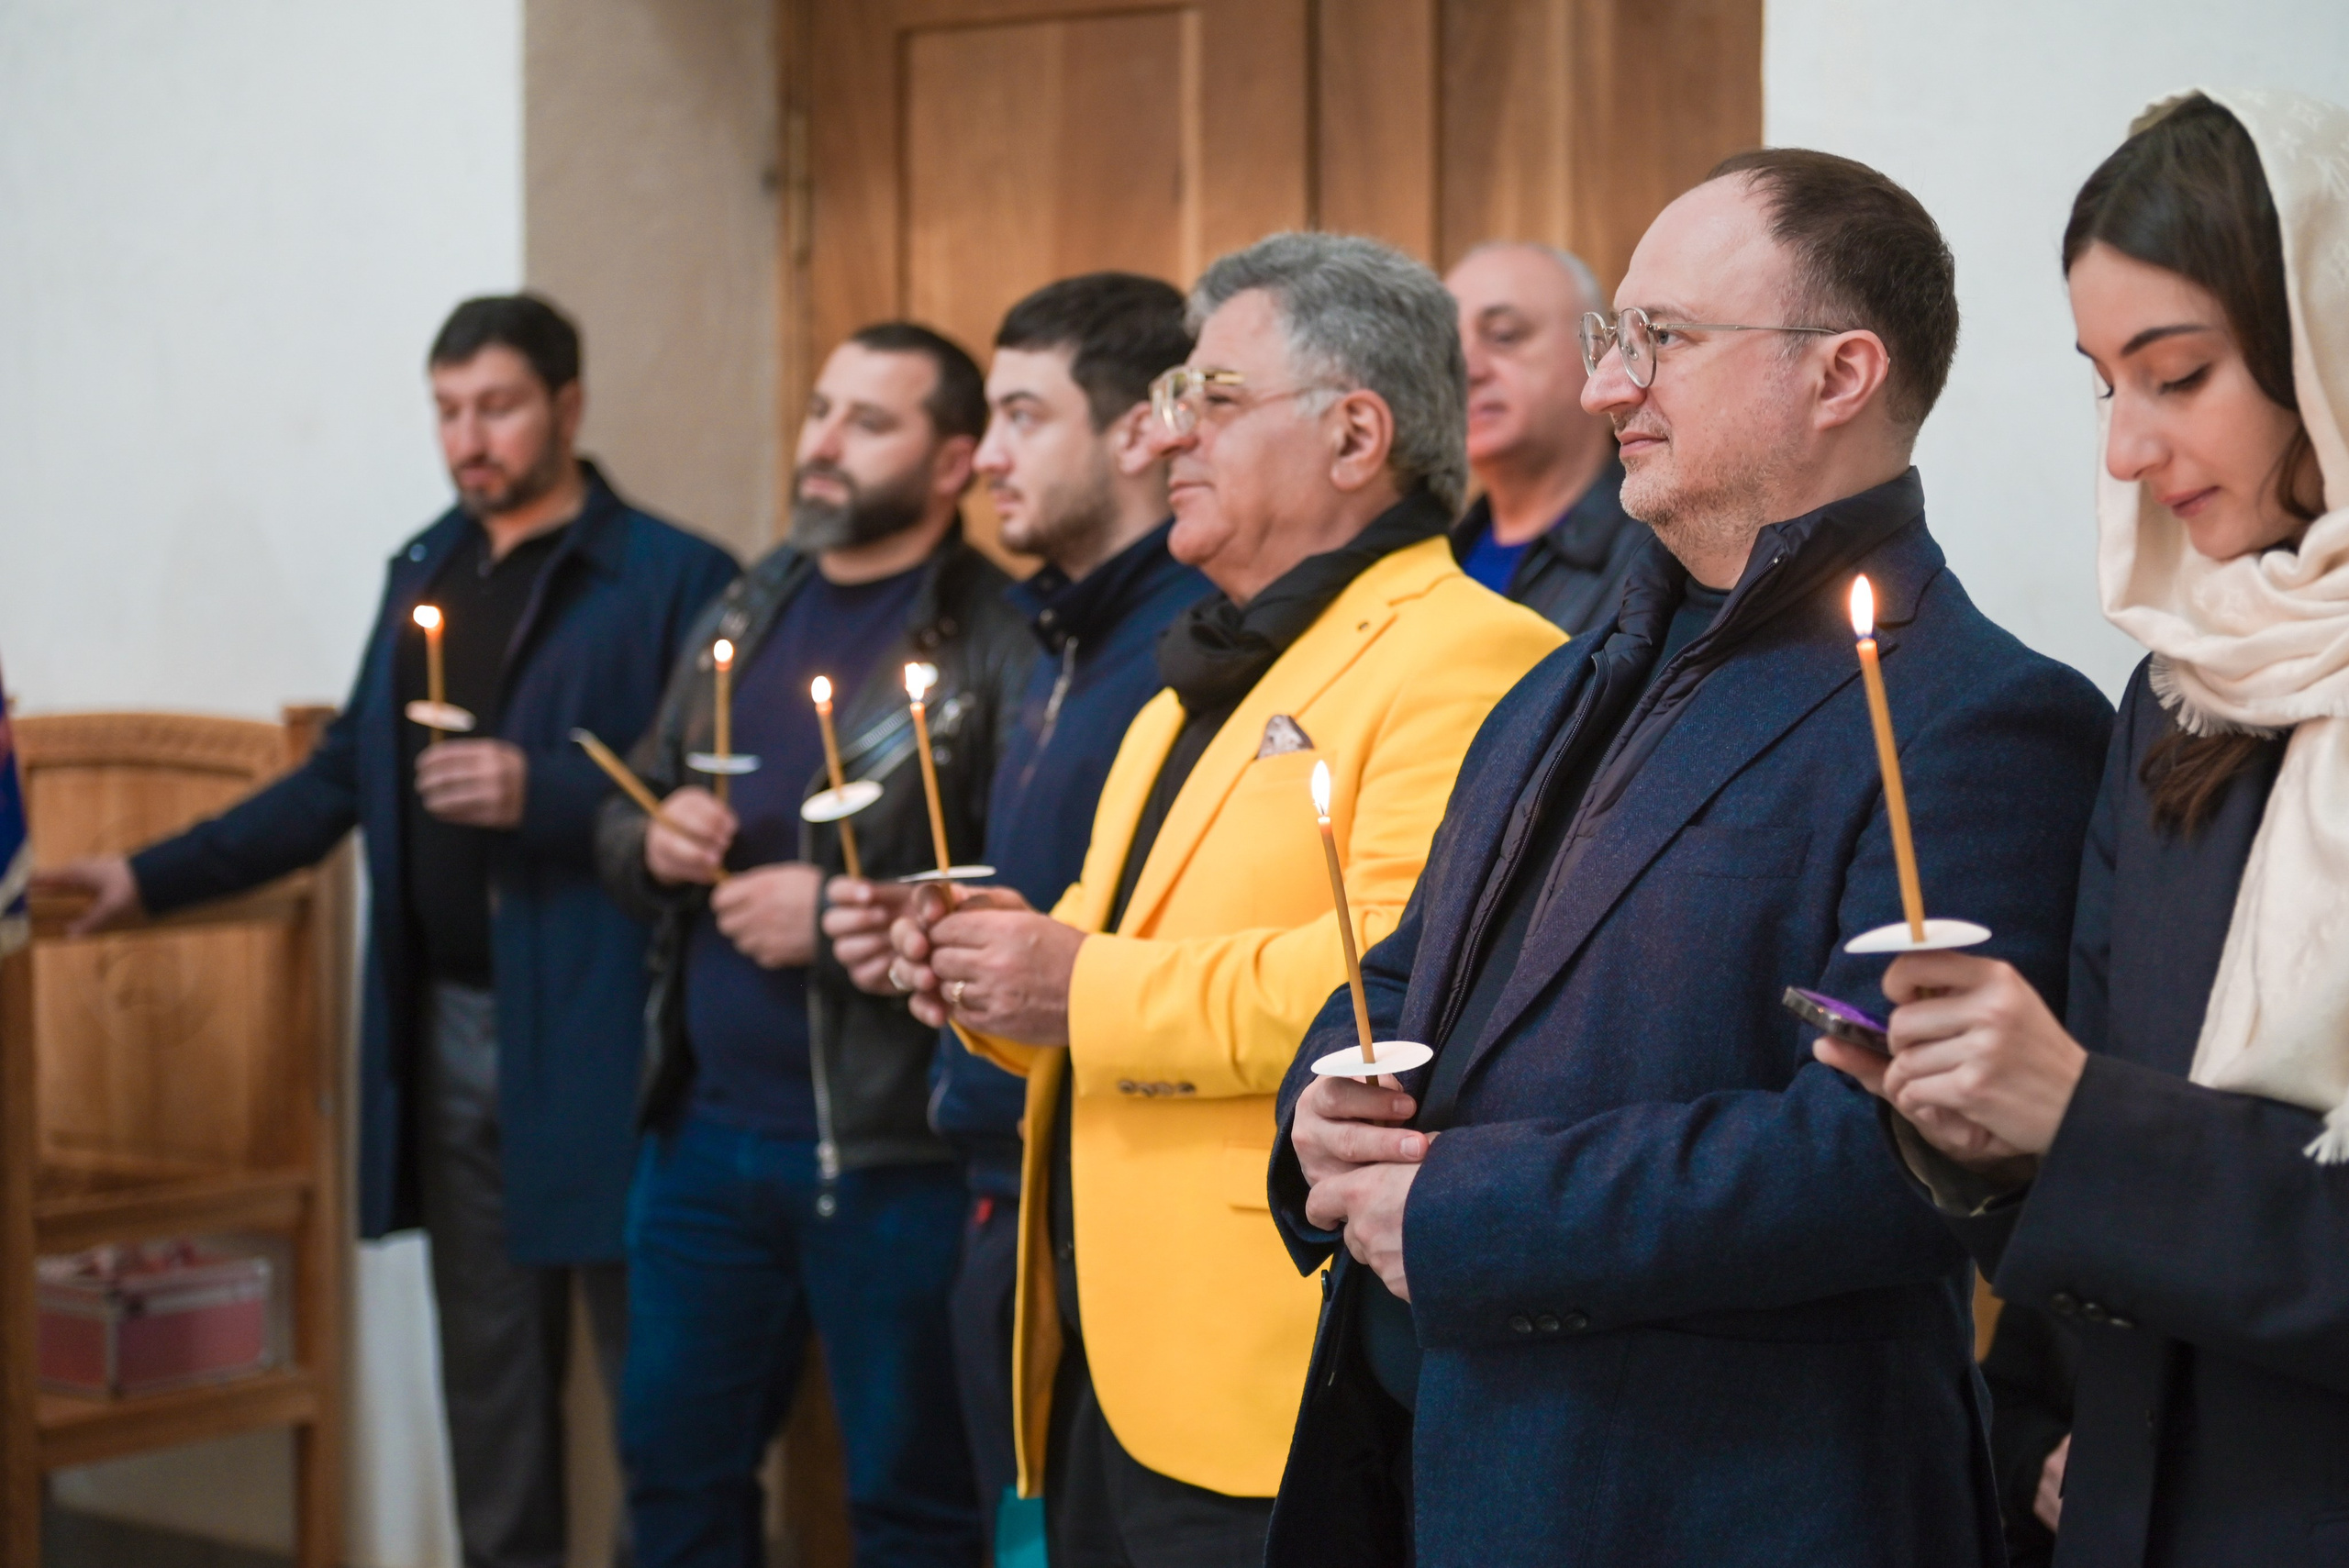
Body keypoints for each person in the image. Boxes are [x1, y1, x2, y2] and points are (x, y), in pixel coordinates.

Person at [1265, 153, 2116, 1568]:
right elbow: (1414, 969)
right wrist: (1322, 1103)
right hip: (1429, 1466)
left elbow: (1888, 1158)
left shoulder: (1979, 716)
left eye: (1661, 340)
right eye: (1614, 341)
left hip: (1715, 1497)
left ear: (1839, 374)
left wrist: (1469, 1213)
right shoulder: (1557, 681)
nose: (1608, 388)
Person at [885, 233, 1562, 1567]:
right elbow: (1082, 969)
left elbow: (1395, 980)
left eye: (1210, 398)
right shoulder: (1199, 676)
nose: (1160, 438)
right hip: (1096, 1354)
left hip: (1262, 1365)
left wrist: (1065, 981)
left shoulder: (1473, 654)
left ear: (1357, 431)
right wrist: (978, 973)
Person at [35, 295, 738, 1568]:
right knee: (489, 1381)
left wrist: (547, 793)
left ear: (569, 408)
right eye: (448, 410)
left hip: (616, 1032)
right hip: (449, 1021)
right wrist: (151, 874)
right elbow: (340, 776)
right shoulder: (423, 567)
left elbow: (720, 789)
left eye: (499, 406)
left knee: (661, 1390)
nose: (470, 438)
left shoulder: (674, 575)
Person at [1820, 90, 2349, 1567]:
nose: (2125, 452)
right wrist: (1988, 1140)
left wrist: (2080, 1117)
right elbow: (2110, 1127)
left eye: (2175, 375)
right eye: (2101, 383)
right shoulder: (2183, 699)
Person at [594, 321, 1029, 1568]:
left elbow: (1038, 892)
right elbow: (633, 812)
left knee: (912, 1504)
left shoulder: (999, 638)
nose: (823, 444)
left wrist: (841, 922)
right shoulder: (753, 593)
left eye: (869, 422)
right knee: (675, 1485)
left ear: (955, 462)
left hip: (893, 1152)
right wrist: (653, 838)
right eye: (821, 409)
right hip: (700, 1138)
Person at [821, 273, 1205, 1561]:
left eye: (1023, 417)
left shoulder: (1183, 645)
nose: (982, 458)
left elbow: (1168, 932)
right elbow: (1055, 895)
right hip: (1007, 1166)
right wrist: (929, 931)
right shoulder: (1058, 632)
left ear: (1141, 429)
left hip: (1110, 1188)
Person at [1444, 241, 1645, 634]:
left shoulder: (1659, 556)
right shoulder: (1438, 554)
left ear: (1597, 352)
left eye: (1503, 336)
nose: (1466, 370)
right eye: (1448, 347)